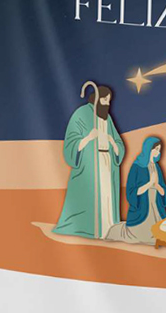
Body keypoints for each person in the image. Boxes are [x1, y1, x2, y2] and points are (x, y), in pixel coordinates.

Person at [53, 82, 125, 239]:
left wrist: (113, 144)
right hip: (90, 165)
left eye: (109, 101)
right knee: (91, 197)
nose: (107, 104)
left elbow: (118, 142)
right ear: (98, 99)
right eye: (105, 100)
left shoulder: (108, 118)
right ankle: (91, 229)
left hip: (107, 164)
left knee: (107, 197)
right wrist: (88, 138)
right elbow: (71, 143)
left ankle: (108, 228)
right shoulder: (81, 114)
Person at [106, 136, 166, 244]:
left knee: (162, 235)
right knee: (146, 237)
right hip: (142, 210)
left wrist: (157, 186)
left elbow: (164, 192)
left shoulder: (157, 168)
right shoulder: (136, 167)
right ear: (149, 149)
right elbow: (131, 192)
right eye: (156, 149)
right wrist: (149, 184)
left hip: (156, 208)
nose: (158, 152)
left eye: (159, 150)